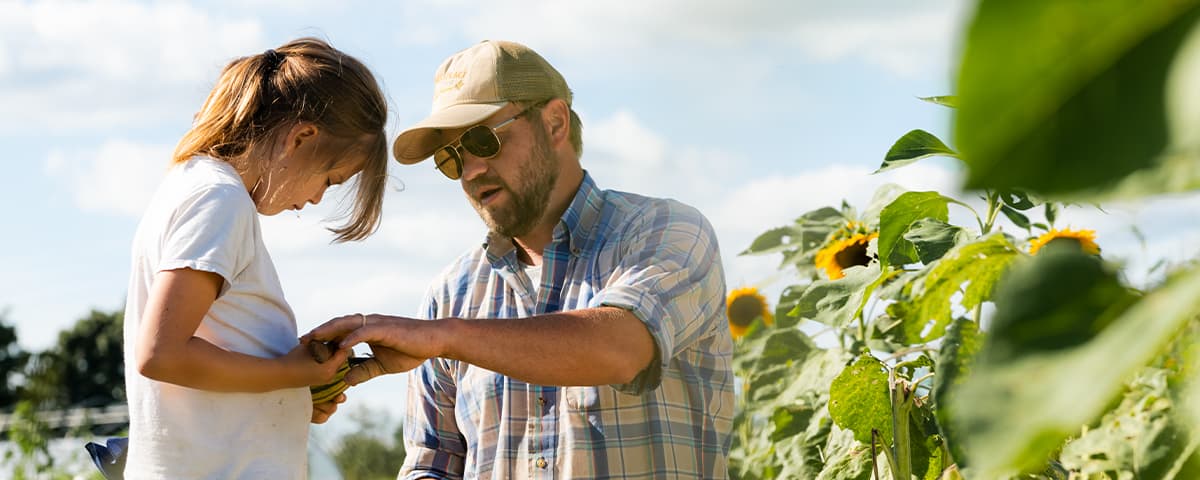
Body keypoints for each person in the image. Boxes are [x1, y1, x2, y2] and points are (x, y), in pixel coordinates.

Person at [307, 39, 734, 478]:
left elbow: (622, 349)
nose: (470, 171)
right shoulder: (450, 293)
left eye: (482, 140)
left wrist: (443, 337)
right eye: (452, 157)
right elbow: (431, 463)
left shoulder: (667, 231)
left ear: (554, 123)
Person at [122, 37, 388, 479]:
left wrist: (294, 393)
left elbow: (208, 357)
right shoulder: (219, 200)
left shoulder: (194, 186)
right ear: (301, 137)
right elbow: (161, 354)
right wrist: (286, 373)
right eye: (330, 178)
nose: (318, 197)